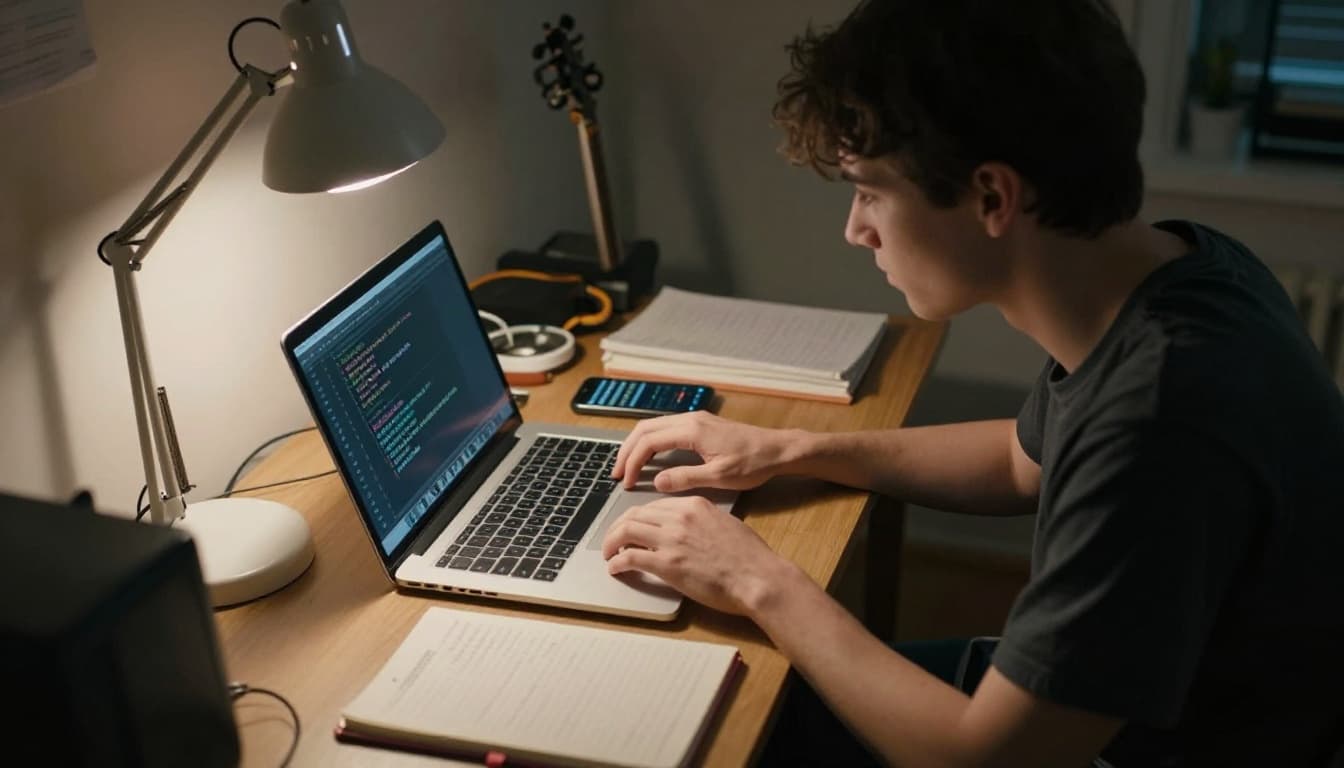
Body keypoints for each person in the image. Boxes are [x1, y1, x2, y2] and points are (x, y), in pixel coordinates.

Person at [599, 0, 1344, 765]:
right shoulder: (1183, 272)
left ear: (992, 197)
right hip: (1113, 714)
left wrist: (758, 578)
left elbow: (984, 759)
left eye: (869, 191)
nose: (857, 230)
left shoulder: (1158, 418)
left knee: (716, 725)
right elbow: (1022, 460)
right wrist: (791, 449)